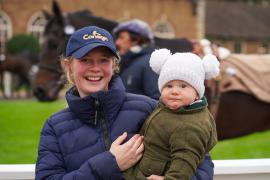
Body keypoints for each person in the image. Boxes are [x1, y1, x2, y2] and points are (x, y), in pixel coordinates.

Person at [35, 26, 214, 179]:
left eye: (103, 60)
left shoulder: (149, 109)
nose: (95, 68)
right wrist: (109, 164)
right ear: (68, 66)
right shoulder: (55, 126)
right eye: (85, 60)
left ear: (114, 64)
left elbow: (201, 161)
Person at [123, 49, 219, 180]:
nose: (174, 91)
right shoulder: (168, 108)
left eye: (183, 86)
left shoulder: (191, 126)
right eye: (169, 86)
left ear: (197, 94)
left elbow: (185, 161)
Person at [113, 19, 160, 100]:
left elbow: (157, 100)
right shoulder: (128, 62)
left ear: (135, 40)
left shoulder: (150, 63)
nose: (117, 43)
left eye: (121, 38)